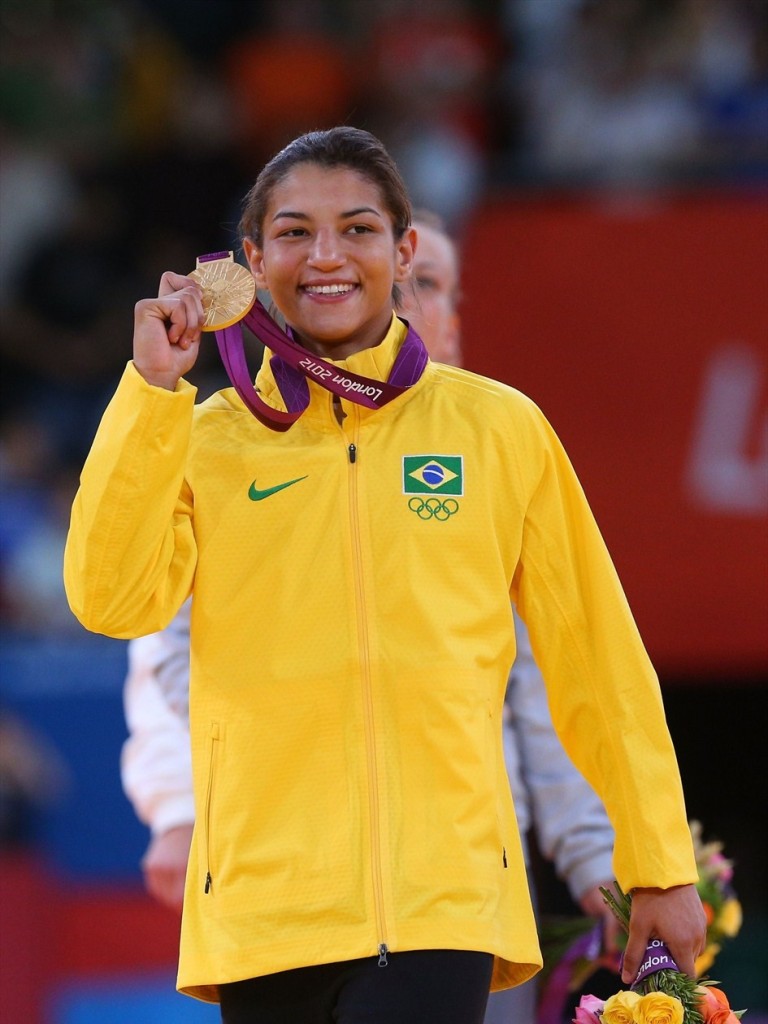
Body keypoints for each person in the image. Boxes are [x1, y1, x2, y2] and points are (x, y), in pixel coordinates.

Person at [64, 127, 706, 1024]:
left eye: (357, 228)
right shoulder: (202, 437)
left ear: (403, 252)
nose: (326, 257)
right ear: (250, 261)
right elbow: (110, 600)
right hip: (261, 899)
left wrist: (658, 865)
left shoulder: (498, 428)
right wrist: (150, 395)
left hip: (441, 896)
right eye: (293, 233)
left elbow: (598, 657)